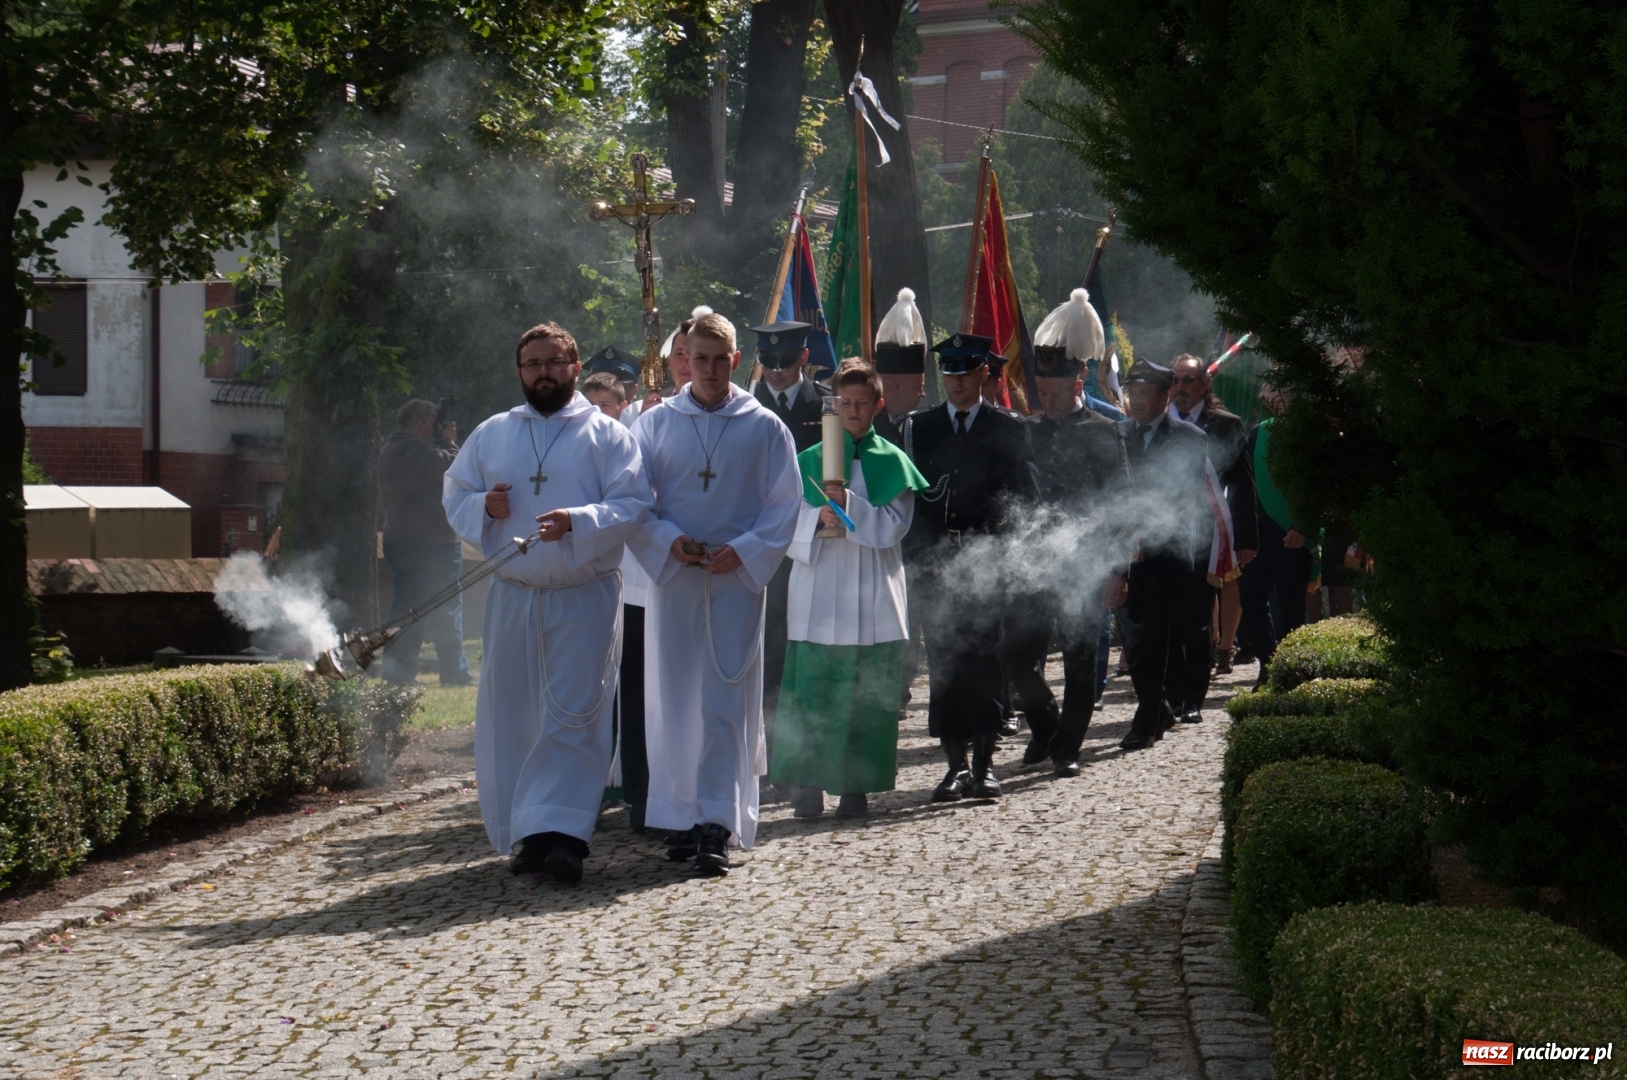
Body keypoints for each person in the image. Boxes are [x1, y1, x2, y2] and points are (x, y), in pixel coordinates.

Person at [442, 322, 654, 883]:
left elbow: (634, 502)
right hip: (513, 596)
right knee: (517, 716)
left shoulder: (607, 435)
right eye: (532, 363)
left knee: (573, 714)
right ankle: (528, 832)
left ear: (574, 367)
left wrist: (578, 521)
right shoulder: (492, 433)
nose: (542, 372)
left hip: (583, 597)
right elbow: (454, 493)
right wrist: (482, 508)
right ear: (519, 371)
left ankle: (566, 835)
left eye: (553, 362)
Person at [628, 312, 801, 877]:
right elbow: (634, 500)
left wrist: (747, 551)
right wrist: (667, 541)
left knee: (725, 699)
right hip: (676, 579)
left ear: (734, 361)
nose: (707, 369)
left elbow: (783, 505)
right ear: (683, 359)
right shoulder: (655, 425)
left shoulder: (764, 426)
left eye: (718, 359)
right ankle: (681, 813)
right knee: (675, 697)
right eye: (697, 358)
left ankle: (716, 822)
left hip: (734, 581)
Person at [770, 360, 930, 818]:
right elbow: (781, 528)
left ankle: (855, 786)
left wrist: (848, 504)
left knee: (865, 697)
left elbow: (892, 531)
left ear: (878, 405)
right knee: (810, 694)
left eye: (863, 403)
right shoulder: (807, 461)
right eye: (845, 402)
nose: (854, 410)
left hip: (870, 595)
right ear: (833, 406)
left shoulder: (893, 462)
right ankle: (807, 784)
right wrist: (814, 519)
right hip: (817, 594)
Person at [903, 333, 1038, 802]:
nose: (956, 381)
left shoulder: (1009, 426)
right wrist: (917, 561)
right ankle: (954, 766)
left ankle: (984, 766)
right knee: (944, 664)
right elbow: (912, 504)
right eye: (949, 371)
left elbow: (1025, 497)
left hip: (988, 560)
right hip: (938, 563)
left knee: (984, 663)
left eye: (965, 371)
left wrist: (1014, 555)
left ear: (985, 373)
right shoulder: (920, 427)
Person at [1003, 300, 1131, 777]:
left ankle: (1067, 747)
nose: (1047, 399)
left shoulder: (1105, 432)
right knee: (1016, 658)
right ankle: (1046, 724)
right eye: (1041, 390)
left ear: (1078, 383)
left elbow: (1122, 503)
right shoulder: (1026, 430)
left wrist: (1118, 570)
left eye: (1056, 390)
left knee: (1080, 658)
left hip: (1086, 562)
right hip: (1035, 561)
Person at [1118, 359, 1214, 750]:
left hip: (1166, 554)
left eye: (1144, 393)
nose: (1136, 401)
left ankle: (1144, 722)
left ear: (1164, 396)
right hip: (1124, 554)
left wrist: (1149, 531)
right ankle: (1158, 706)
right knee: (1133, 641)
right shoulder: (1118, 435)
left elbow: (1182, 496)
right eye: (1132, 393)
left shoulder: (1189, 437)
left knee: (1156, 638)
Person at [1168, 354, 1257, 707]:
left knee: (1196, 618)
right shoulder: (1159, 422)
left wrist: (1246, 541)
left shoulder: (1225, 424)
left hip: (1209, 535)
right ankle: (1169, 692)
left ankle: (1192, 698)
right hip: (1166, 535)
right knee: (1170, 619)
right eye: (1174, 380)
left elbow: (1241, 484)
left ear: (1205, 385)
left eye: (1188, 380)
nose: (1180, 387)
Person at [378, 399, 472, 686]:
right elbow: (456, 469)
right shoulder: (418, 450)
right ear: (420, 423)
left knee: (405, 606)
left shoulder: (389, 449)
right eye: (431, 423)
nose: (433, 429)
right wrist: (451, 440)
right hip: (432, 544)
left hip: (400, 539)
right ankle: (454, 673)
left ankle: (398, 673)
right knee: (445, 607)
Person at [1238, 397, 1313, 686]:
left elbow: (1313, 484)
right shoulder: (1258, 432)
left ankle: (1291, 670)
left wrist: (1303, 526)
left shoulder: (1306, 434)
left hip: (1290, 533)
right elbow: (1246, 484)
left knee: (1291, 605)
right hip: (1258, 534)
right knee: (1252, 599)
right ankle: (1268, 664)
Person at [872, 288, 928, 448]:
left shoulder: (922, 427)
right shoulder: (865, 425)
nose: (923, 394)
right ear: (897, 383)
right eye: (918, 386)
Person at [583, 345, 642, 426]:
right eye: (598, 383)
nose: (598, 409)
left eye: (616, 384)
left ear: (634, 390)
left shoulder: (645, 423)